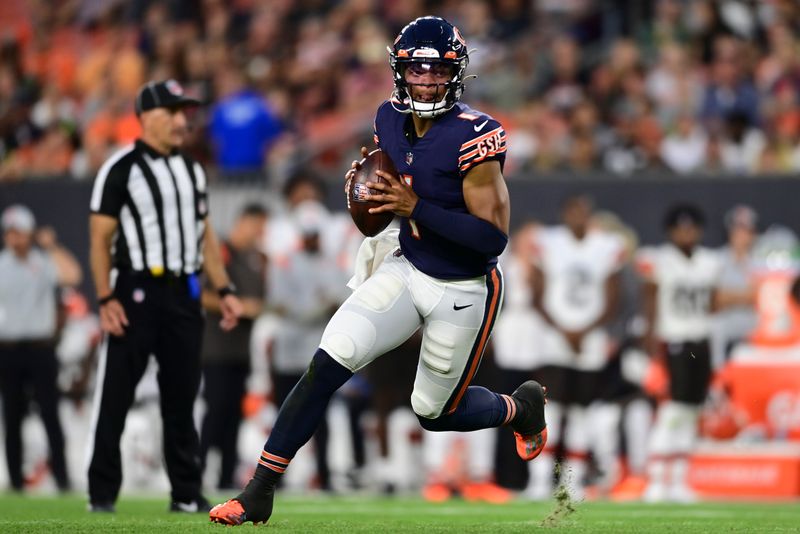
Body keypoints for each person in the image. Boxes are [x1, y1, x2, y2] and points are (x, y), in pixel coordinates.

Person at [210, 16, 547, 526]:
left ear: (456, 75)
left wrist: (415, 208)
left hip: (463, 285)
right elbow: (391, 189)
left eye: (439, 71)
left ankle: (519, 410)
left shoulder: (475, 136)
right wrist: (371, 193)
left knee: (435, 414)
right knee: (327, 363)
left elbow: (490, 239)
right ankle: (258, 490)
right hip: (406, 266)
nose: (429, 80)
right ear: (400, 72)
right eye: (418, 70)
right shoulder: (387, 119)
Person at [87, 79, 242, 513]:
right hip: (136, 289)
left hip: (184, 292)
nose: (181, 121)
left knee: (181, 398)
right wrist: (104, 297)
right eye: (173, 112)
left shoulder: (191, 169)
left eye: (184, 112)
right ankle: (102, 494)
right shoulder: (120, 168)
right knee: (116, 395)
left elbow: (204, 234)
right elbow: (99, 238)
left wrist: (224, 287)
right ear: (147, 117)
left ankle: (185, 493)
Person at [531, 195, 624, 500]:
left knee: (583, 411)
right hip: (554, 336)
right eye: (572, 211)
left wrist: (584, 330)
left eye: (582, 212)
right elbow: (537, 292)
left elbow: (613, 297)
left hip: (590, 338)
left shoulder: (605, 245)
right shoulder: (549, 241)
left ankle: (571, 483)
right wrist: (562, 329)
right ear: (563, 214)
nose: (577, 217)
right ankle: (540, 479)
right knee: (552, 410)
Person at [637, 204, 720, 503]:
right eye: (681, 227)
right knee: (671, 411)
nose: (687, 233)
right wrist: (651, 351)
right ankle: (658, 479)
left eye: (691, 227)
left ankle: (679, 479)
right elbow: (649, 305)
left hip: (700, 342)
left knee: (691, 412)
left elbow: (712, 303)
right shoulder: (660, 260)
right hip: (672, 343)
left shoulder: (710, 262)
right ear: (671, 231)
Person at [0, 204, 82, 492]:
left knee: (50, 413)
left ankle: (61, 478)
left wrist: (52, 246)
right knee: (11, 416)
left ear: (30, 233)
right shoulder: (2, 265)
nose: (15, 238)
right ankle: (15, 480)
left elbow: (72, 275)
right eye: (10, 233)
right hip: (8, 349)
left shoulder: (43, 261)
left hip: (41, 348)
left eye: (20, 232)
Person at [200, 203, 268, 491]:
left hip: (241, 350)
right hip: (216, 347)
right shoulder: (222, 254)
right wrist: (239, 308)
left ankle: (226, 476)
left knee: (233, 415)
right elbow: (202, 295)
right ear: (244, 222)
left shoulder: (256, 259)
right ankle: (196, 471)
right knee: (215, 412)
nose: (260, 233)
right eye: (257, 226)